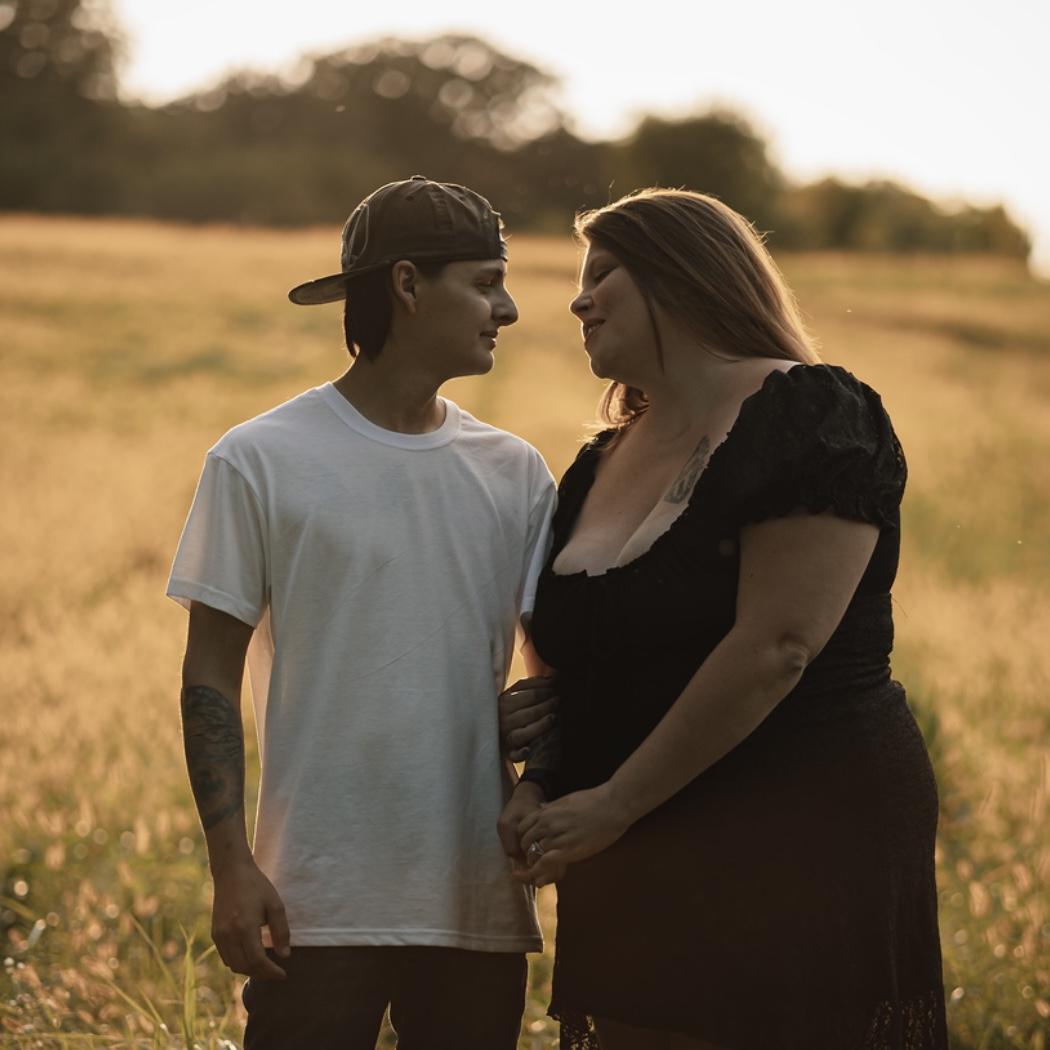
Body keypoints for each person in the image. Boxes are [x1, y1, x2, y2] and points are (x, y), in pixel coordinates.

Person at [499, 188, 948, 1050]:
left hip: (796, 826)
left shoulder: (812, 413)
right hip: (629, 843)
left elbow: (780, 646)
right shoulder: (596, 462)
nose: (578, 301)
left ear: (682, 276)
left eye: (603, 274)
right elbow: (573, 661)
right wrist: (540, 785)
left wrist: (615, 804)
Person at [166, 175, 558, 1050]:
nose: (508, 309)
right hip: (312, 901)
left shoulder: (516, 473)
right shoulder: (259, 459)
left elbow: (553, 675)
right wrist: (231, 866)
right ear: (408, 285)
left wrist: (538, 747)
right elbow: (209, 676)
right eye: (486, 283)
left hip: (474, 900)